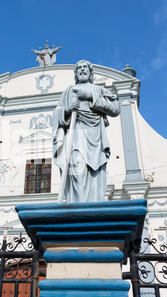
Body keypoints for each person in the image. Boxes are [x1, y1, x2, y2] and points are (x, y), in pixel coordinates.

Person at [52, 60, 120, 202]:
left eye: (85, 68)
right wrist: (67, 108)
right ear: (76, 73)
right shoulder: (69, 91)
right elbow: (56, 114)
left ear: (90, 73)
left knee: (95, 170)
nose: (82, 70)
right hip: (75, 133)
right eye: (79, 68)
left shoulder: (98, 90)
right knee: (76, 167)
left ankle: (93, 205)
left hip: (95, 136)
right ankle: (77, 205)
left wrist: (90, 96)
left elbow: (115, 108)